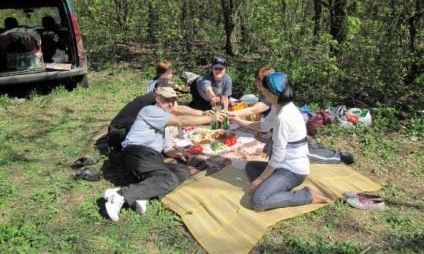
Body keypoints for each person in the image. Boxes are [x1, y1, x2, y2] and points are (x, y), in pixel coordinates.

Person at [103, 87, 225, 221]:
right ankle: (120, 195)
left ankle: (143, 194)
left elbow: (167, 149)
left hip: (151, 158)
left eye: (173, 101)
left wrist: (179, 154)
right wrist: (210, 118)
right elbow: (180, 121)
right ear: (158, 99)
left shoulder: (164, 125)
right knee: (170, 179)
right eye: (167, 100)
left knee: (182, 170)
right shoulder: (150, 110)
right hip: (136, 153)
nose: (171, 104)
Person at [229, 72, 331, 212]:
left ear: (272, 92)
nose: (262, 91)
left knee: (258, 202)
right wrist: (241, 122)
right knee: (251, 167)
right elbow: (264, 126)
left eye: (264, 89)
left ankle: (307, 195)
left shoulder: (284, 117)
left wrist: (260, 180)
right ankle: (271, 187)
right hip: (281, 164)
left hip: (292, 170)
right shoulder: (278, 106)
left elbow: (278, 154)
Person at [229, 66, 354, 165]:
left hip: (290, 134)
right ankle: (323, 148)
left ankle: (339, 156)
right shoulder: (270, 98)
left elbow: (254, 110)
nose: (256, 83)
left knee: (306, 155)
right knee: (306, 146)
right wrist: (244, 124)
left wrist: (230, 114)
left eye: (258, 80)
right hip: (281, 133)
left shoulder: (275, 100)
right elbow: (262, 121)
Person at [107, 78, 213, 151]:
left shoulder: (160, 99)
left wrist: (202, 113)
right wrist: (206, 117)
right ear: (157, 89)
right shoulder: (153, 98)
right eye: (166, 90)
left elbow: (176, 108)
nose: (169, 95)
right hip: (118, 132)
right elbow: (177, 113)